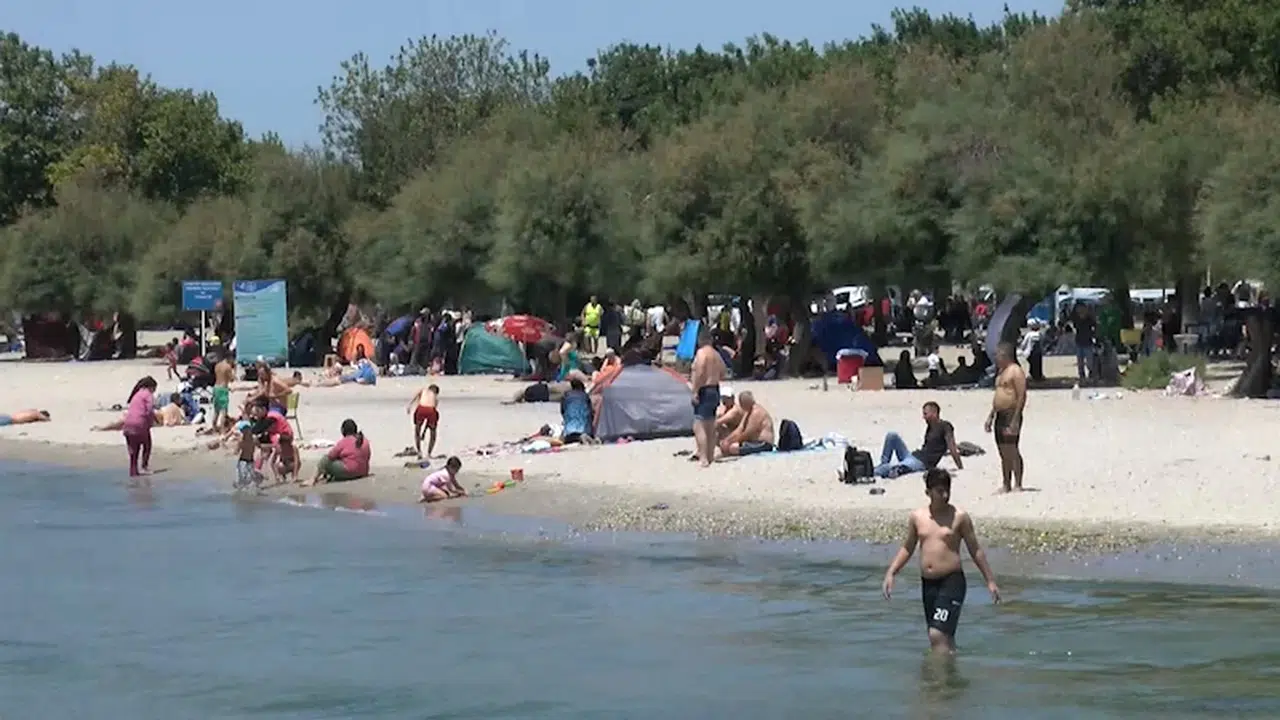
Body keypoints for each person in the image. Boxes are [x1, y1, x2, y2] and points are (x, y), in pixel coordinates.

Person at [882, 468, 1001, 654]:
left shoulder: (959, 517)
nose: (945, 495)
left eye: (947, 490)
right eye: (939, 491)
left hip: (952, 581)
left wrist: (990, 580)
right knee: (942, 638)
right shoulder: (917, 517)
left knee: (936, 634)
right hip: (928, 584)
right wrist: (892, 572)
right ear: (928, 492)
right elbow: (908, 547)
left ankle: (938, 680)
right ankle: (947, 677)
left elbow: (975, 550)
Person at [874, 401, 962, 478]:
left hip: (922, 463)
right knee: (892, 435)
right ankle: (883, 463)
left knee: (889, 468)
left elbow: (952, 447)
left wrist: (960, 467)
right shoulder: (930, 426)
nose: (924, 417)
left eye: (925, 414)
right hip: (913, 456)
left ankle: (874, 471)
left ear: (934, 413)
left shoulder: (945, 426)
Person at [985, 342, 1027, 493]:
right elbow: (999, 396)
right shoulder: (1001, 372)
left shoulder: (1016, 371)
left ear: (1005, 355)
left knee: (1012, 449)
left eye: (998, 355)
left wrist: (1016, 418)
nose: (996, 358)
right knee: (1002, 451)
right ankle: (1006, 483)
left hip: (1011, 414)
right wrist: (991, 416)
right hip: (1000, 414)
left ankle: (1018, 483)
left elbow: (1021, 395)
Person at [690, 330, 726, 467]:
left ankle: (703, 457)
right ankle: (710, 455)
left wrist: (695, 391)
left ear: (700, 341)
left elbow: (699, 371)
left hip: (704, 389)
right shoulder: (716, 354)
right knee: (710, 424)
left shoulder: (701, 353)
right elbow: (723, 372)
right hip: (715, 388)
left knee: (699, 425)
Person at [306, 419, 371, 486]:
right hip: (363, 471)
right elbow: (367, 457)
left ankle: (312, 479)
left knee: (325, 459)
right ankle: (325, 475)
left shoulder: (344, 441)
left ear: (343, 431)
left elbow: (330, 456)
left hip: (350, 472)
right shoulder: (364, 441)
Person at [719, 391, 775, 456]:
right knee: (727, 444)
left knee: (733, 448)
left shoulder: (756, 412)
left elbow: (748, 433)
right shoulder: (748, 411)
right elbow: (740, 429)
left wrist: (733, 441)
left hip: (763, 443)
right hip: (752, 442)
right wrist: (727, 440)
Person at [122, 376, 157, 477]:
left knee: (133, 450)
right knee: (147, 445)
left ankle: (133, 471)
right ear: (151, 387)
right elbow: (149, 410)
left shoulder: (136, 394)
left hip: (128, 425)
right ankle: (144, 467)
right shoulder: (148, 395)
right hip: (139, 424)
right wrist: (150, 423)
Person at [407, 383, 440, 458]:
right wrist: (424, 432)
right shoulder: (435, 397)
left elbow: (415, 398)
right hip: (431, 410)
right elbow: (429, 421)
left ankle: (419, 451)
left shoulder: (423, 390)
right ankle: (429, 453)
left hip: (421, 409)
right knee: (433, 433)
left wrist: (409, 406)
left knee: (417, 430)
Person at [559, 378, 594, 444]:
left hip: (569, 431)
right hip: (585, 430)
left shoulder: (565, 396)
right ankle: (583, 436)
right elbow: (591, 413)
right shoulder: (585, 396)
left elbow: (563, 411)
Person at [234, 423, 263, 491]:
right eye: (244, 431)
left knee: (253, 476)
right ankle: (240, 488)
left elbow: (259, 446)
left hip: (251, 460)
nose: (246, 433)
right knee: (243, 478)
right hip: (242, 461)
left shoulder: (254, 438)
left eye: (247, 431)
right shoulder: (241, 440)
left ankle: (251, 487)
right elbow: (236, 451)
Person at [212, 355, 235, 433]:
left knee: (216, 410)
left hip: (215, 388)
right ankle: (222, 429)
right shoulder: (228, 367)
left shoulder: (217, 365)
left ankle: (214, 427)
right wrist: (234, 369)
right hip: (223, 389)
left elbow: (218, 377)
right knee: (223, 410)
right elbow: (232, 379)